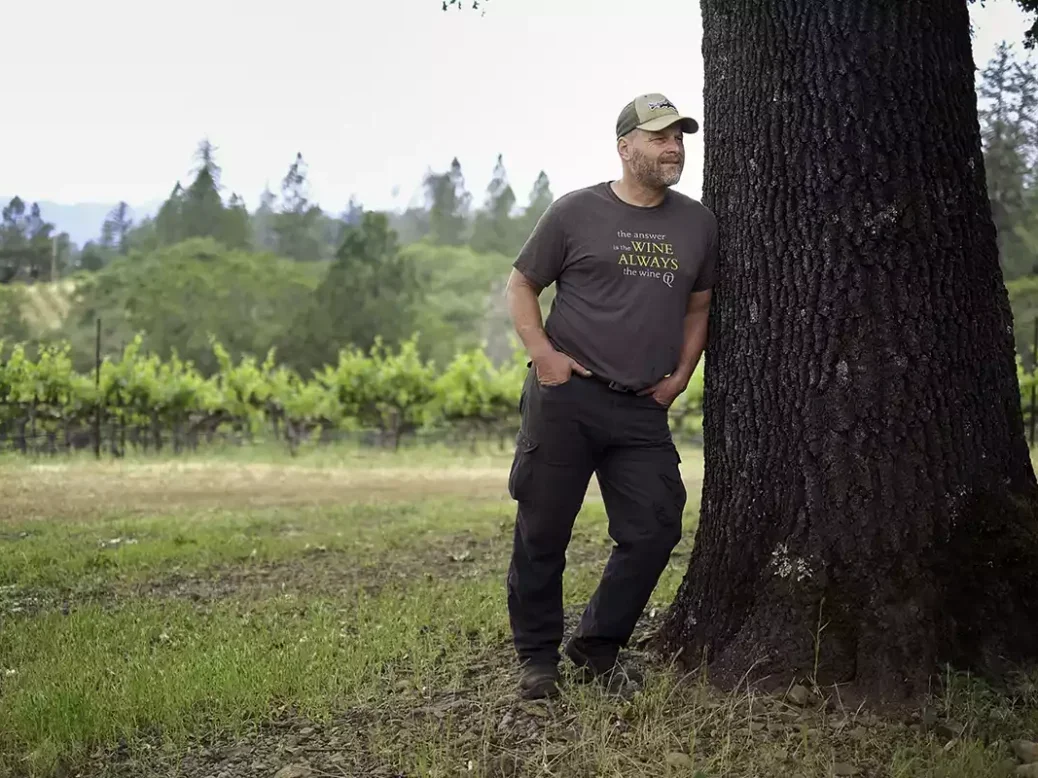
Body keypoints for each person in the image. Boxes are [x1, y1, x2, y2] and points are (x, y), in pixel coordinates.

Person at [503, 93, 718, 700]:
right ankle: (537, 658)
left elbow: (698, 307)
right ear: (625, 147)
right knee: (543, 531)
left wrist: (680, 375)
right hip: (566, 396)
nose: (672, 147)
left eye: (679, 137)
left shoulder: (698, 223)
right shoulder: (575, 212)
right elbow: (522, 283)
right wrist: (543, 355)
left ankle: (598, 645)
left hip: (640, 406)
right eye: (658, 137)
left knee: (654, 527)